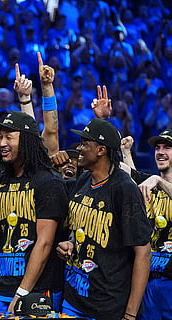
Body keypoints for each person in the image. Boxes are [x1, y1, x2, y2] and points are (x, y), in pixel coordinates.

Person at [57, 118, 152, 320]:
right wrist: (70, 242)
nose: (79, 149)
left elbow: (143, 253)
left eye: (85, 144)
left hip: (108, 306)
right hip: (74, 298)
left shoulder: (124, 188)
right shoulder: (83, 180)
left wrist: (130, 313)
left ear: (101, 150)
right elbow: (81, 227)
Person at [0, 111, 67, 313]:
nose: (1, 143)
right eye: (0, 137)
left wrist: (22, 292)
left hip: (36, 292)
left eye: (9, 137)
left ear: (26, 141)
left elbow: (44, 243)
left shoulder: (49, 182)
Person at [125, 129, 172, 319]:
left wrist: (159, 181)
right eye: (157, 148)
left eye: (168, 147)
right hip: (147, 279)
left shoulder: (156, 182)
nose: (160, 152)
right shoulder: (150, 185)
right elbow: (127, 173)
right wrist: (126, 151)